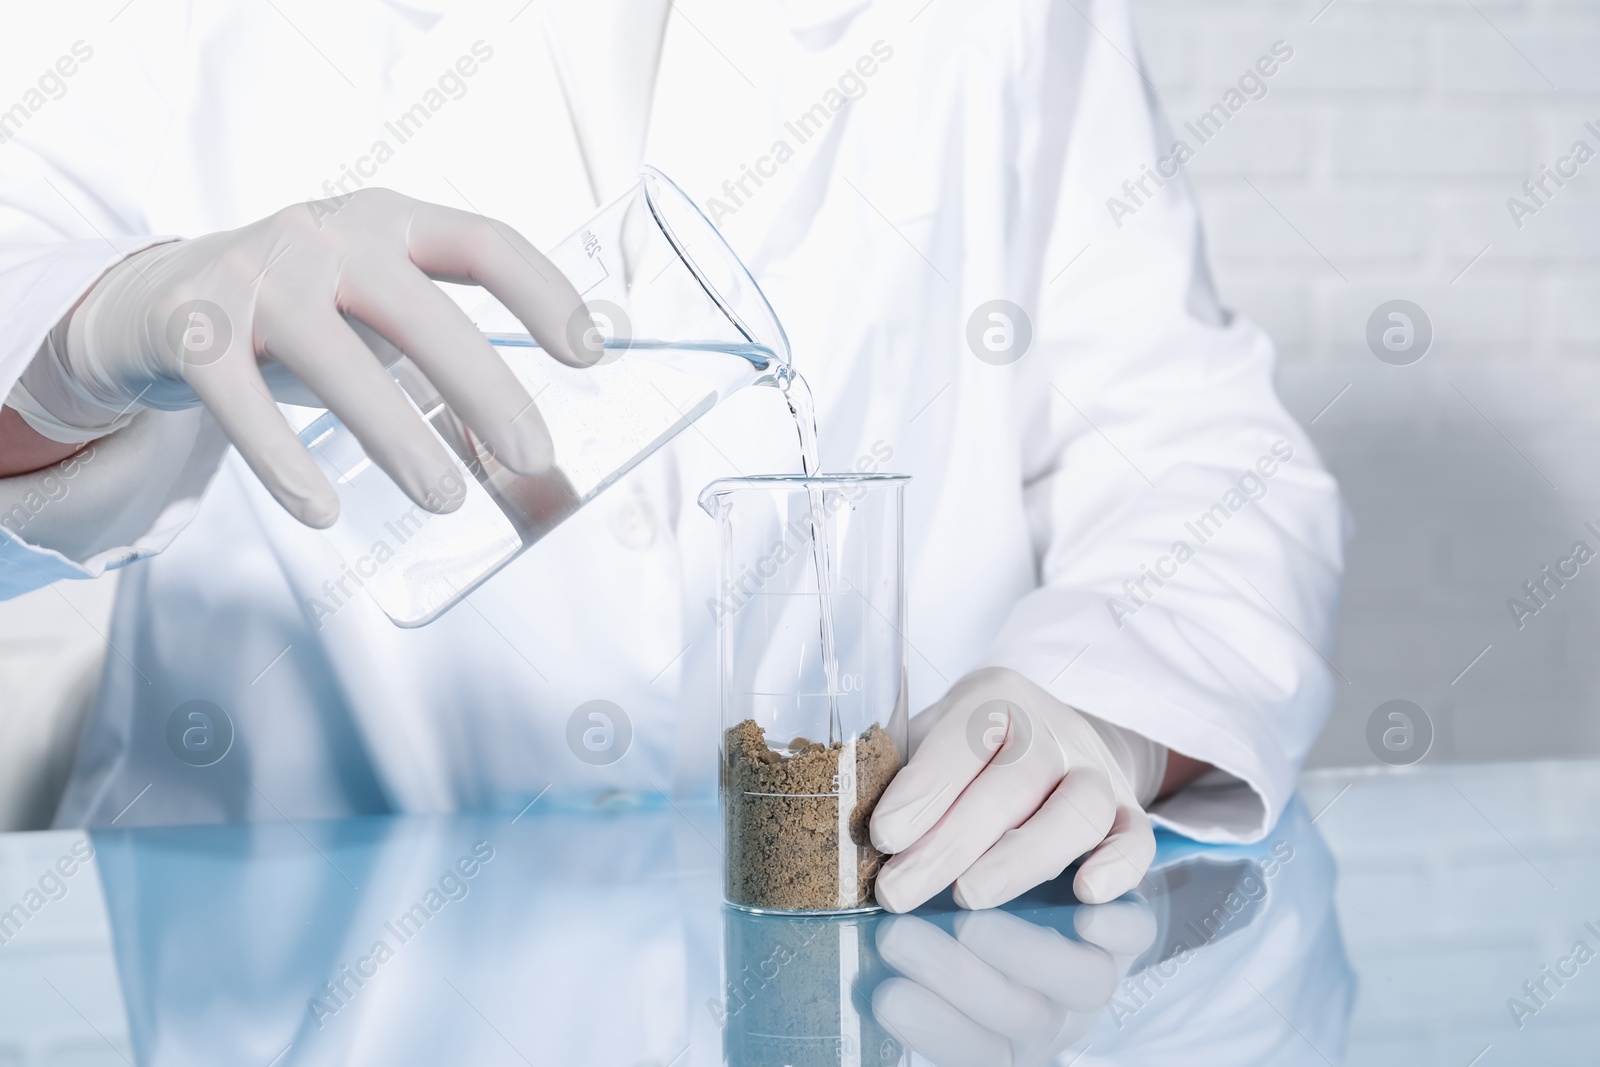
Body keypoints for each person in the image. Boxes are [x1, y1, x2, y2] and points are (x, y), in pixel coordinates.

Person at [0, 0, 1342, 913]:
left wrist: (1101, 702)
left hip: (886, 947)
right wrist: (90, 330)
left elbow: (1197, 449)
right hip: (289, 954)